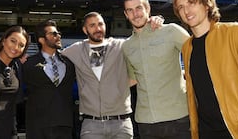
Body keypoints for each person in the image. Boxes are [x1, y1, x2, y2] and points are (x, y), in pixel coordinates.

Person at [62, 11, 163, 139]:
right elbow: (54, 57)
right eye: (92, 25)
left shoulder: (120, 46)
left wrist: (154, 21)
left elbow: (142, 42)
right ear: (84, 29)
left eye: (100, 24)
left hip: (121, 124)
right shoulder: (75, 50)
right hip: (91, 125)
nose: (98, 28)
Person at [172, 0, 238, 139]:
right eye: (181, 7)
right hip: (205, 132)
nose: (186, 11)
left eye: (191, 3)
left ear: (207, 5)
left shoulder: (236, 32)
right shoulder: (187, 47)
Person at [122, 0, 191, 139]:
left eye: (139, 8)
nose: (135, 14)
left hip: (178, 118)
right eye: (130, 10)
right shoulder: (126, 46)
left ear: (148, 8)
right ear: (126, 15)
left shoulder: (171, 31)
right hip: (146, 123)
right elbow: (132, 79)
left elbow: (198, 57)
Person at [22, 19, 76, 139]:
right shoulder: (29, 64)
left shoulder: (69, 64)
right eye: (54, 34)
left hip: (64, 126)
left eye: (58, 33)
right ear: (42, 40)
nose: (58, 36)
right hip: (38, 127)